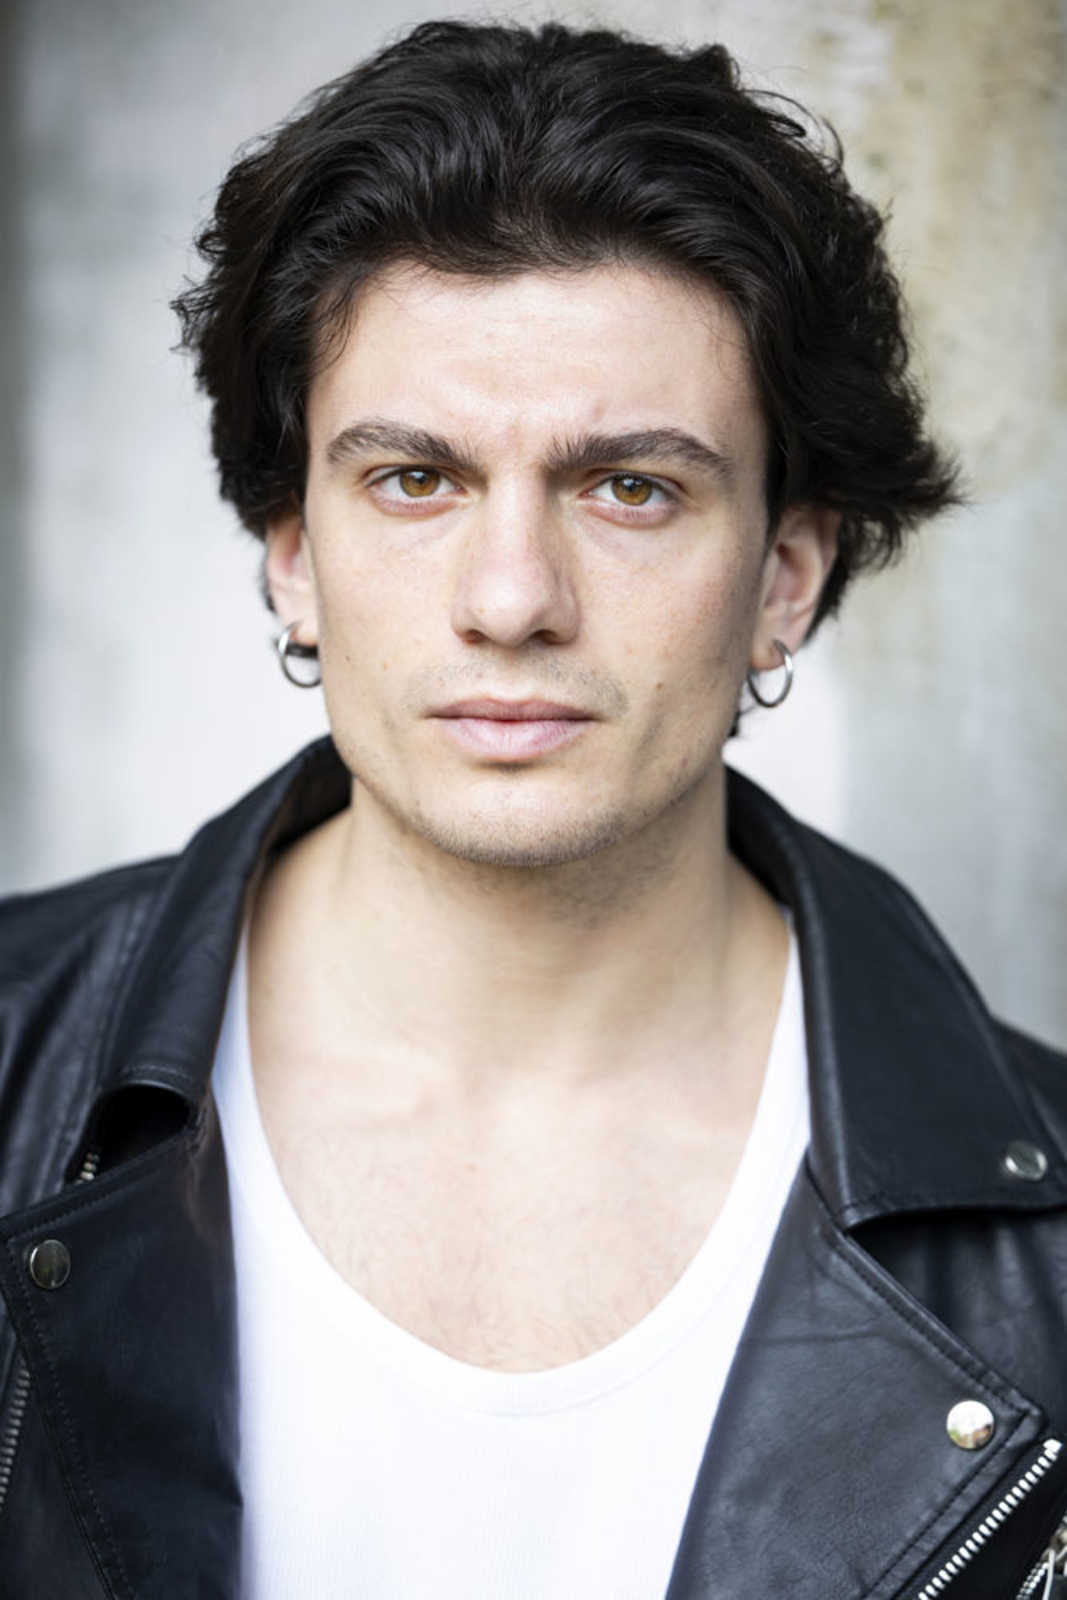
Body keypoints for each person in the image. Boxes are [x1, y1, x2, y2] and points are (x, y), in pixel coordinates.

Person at [0, 19, 1065, 1599]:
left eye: (631, 487)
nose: (511, 600)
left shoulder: (1044, 1244)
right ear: (293, 555)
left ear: (786, 577)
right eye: (415, 479)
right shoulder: (16, 1055)